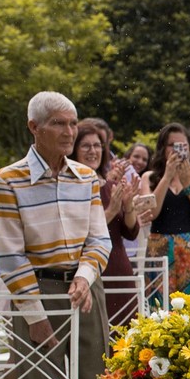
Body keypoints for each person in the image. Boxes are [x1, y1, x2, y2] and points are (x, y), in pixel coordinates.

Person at [0, 91, 122, 379]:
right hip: (37, 292)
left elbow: (99, 238)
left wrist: (85, 278)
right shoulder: (8, 180)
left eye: (73, 123)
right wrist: (35, 316)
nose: (70, 132)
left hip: (84, 291)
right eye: (60, 124)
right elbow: (10, 255)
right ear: (34, 128)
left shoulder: (87, 177)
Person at [71, 121, 141, 323]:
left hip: (119, 268)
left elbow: (131, 232)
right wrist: (110, 211)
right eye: (85, 146)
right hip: (90, 271)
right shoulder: (71, 188)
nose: (93, 151)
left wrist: (128, 205)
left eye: (97, 145)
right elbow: (81, 233)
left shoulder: (111, 186)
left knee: (124, 339)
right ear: (74, 150)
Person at [140, 123, 190, 297]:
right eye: (172, 145)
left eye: (182, 146)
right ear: (163, 148)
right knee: (160, 307)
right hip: (160, 248)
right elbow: (151, 213)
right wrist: (167, 176)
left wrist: (188, 184)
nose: (177, 150)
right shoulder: (149, 177)